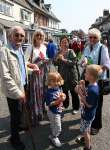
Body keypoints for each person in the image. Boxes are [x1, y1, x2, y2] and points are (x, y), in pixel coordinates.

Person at [0, 26, 26, 150]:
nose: (19, 37)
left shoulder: (20, 49)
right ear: (10, 36)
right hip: (13, 90)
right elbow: (5, 76)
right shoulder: (4, 51)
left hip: (22, 86)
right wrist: (18, 93)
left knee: (19, 113)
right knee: (15, 115)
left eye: (22, 35)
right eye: (17, 35)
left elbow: (21, 66)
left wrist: (31, 69)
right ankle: (14, 139)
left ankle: (18, 127)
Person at [81, 28, 110, 134]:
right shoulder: (87, 47)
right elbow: (83, 59)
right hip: (88, 78)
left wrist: (97, 72)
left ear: (99, 38)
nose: (92, 39)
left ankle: (96, 125)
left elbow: (107, 64)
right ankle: (88, 119)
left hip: (98, 80)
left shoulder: (103, 48)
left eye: (95, 37)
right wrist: (83, 62)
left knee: (97, 104)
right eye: (90, 37)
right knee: (88, 101)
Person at [76, 64, 102, 150]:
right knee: (87, 128)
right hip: (89, 114)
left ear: (91, 76)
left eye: (86, 73)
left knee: (85, 131)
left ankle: (87, 147)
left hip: (87, 114)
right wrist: (83, 86)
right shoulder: (93, 85)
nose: (84, 74)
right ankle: (85, 139)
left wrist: (79, 93)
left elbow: (88, 104)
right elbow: (87, 95)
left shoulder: (92, 90)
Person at [27, 29, 48, 125]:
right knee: (35, 94)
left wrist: (46, 60)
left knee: (42, 92)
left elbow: (44, 58)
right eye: (38, 35)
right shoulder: (30, 47)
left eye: (41, 35)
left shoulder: (44, 47)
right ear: (34, 36)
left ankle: (41, 111)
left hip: (43, 73)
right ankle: (34, 114)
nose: (40, 37)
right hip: (35, 74)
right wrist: (33, 65)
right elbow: (25, 61)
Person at [54, 36, 80, 114]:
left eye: (66, 42)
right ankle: (65, 105)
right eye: (62, 42)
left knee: (74, 92)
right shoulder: (58, 52)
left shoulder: (71, 51)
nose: (64, 44)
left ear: (68, 43)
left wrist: (64, 60)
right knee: (64, 92)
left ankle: (76, 107)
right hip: (62, 76)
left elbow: (74, 62)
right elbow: (55, 63)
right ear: (60, 44)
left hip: (72, 76)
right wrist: (57, 59)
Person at [45, 72, 66, 147]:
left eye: (57, 81)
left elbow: (61, 94)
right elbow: (49, 104)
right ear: (49, 82)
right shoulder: (49, 92)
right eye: (53, 81)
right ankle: (54, 137)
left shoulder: (59, 88)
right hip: (53, 112)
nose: (56, 83)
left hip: (58, 111)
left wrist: (63, 96)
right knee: (58, 128)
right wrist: (59, 100)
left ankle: (53, 131)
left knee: (54, 125)